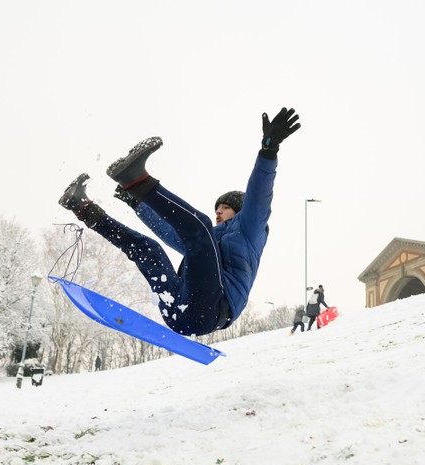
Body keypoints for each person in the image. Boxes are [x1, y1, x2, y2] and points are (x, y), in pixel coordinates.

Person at [58, 107, 301, 336]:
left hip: (212, 309)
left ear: (239, 211)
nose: (218, 212)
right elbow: (169, 232)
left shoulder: (250, 229)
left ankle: (137, 180)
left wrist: (269, 149)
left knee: (200, 227)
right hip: (178, 313)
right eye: (217, 207)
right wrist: (137, 204)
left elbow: (259, 194)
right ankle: (83, 207)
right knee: (150, 249)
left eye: (225, 208)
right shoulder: (208, 244)